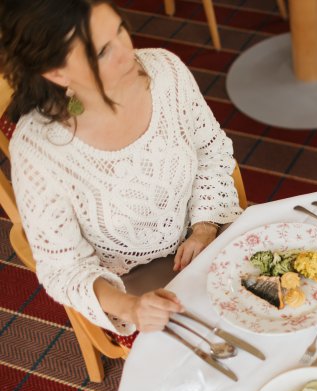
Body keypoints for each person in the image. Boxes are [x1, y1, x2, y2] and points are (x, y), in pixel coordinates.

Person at [0, 0, 242, 337]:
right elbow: (63, 270)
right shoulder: (39, 151)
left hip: (209, 233)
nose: (128, 53)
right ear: (56, 72)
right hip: (131, 284)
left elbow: (211, 151)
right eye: (102, 52)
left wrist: (204, 227)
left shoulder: (166, 71)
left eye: (120, 30)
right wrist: (133, 307)